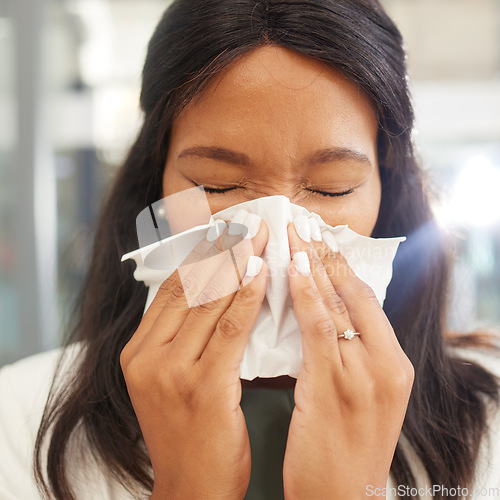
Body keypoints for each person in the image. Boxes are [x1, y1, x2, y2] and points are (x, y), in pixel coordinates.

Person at [1, 0, 499, 499]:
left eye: (332, 188)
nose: (276, 239)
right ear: (156, 187)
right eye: (216, 185)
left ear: (388, 193)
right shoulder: (19, 420)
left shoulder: (490, 428)